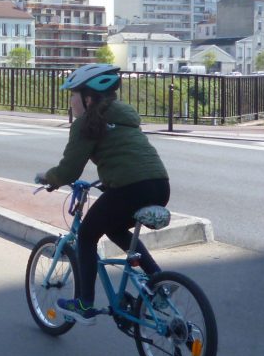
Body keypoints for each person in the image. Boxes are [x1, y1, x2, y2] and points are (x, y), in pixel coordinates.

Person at [36, 64, 170, 325]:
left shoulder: (87, 124)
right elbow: (126, 158)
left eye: (73, 94)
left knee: (86, 235)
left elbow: (69, 169)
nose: (70, 101)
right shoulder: (126, 119)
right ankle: (158, 283)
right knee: (115, 228)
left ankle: (84, 303)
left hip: (130, 188)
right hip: (159, 185)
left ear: (88, 98)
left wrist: (50, 179)